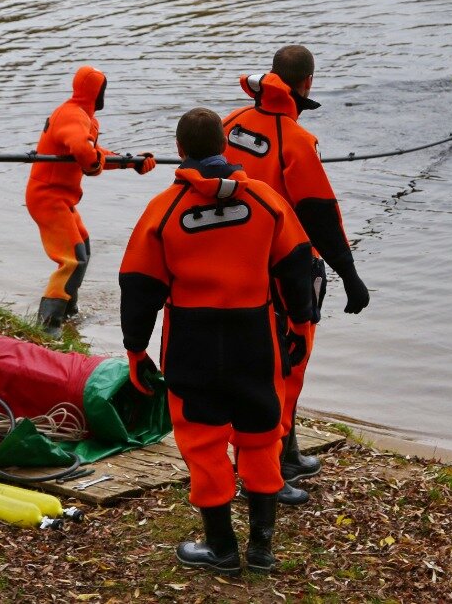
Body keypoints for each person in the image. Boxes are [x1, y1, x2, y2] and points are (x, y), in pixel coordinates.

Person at [120, 107, 315, 575]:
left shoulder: (164, 209)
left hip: (192, 339)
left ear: (180, 151)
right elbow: (298, 265)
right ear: (225, 148)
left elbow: (139, 284)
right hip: (255, 334)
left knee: (203, 441)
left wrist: (135, 349)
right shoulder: (266, 200)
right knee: (261, 434)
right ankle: (263, 549)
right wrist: (300, 330)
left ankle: (222, 548)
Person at [222, 45, 369, 505]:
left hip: (234, 263)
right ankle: (266, 474)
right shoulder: (297, 143)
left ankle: (286, 451)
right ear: (306, 83)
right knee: (288, 365)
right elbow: (321, 215)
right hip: (287, 270)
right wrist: (349, 273)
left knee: (261, 365)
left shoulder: (232, 123)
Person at [25, 66, 155, 335]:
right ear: (98, 93)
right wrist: (94, 164)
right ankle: (48, 325)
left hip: (59, 196)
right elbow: (84, 151)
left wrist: (129, 162)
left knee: (82, 247)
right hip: (48, 196)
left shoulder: (81, 116)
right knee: (72, 258)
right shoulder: (73, 115)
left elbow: (93, 153)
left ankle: (68, 311)